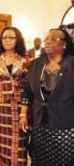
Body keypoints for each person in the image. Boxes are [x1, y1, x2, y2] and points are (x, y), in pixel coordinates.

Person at [20, 28, 74, 165]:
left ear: (65, 44)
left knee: (64, 159)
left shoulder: (72, 63)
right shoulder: (36, 64)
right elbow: (27, 90)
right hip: (39, 123)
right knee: (40, 158)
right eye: (47, 39)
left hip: (65, 124)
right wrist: (23, 114)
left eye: (53, 39)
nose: (47, 42)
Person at [0, 27, 30, 166]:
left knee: (20, 142)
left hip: (21, 106)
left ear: (18, 40)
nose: (7, 40)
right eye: (4, 38)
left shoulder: (26, 58)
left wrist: (27, 110)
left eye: (11, 37)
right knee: (3, 142)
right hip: (1, 108)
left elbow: (29, 85)